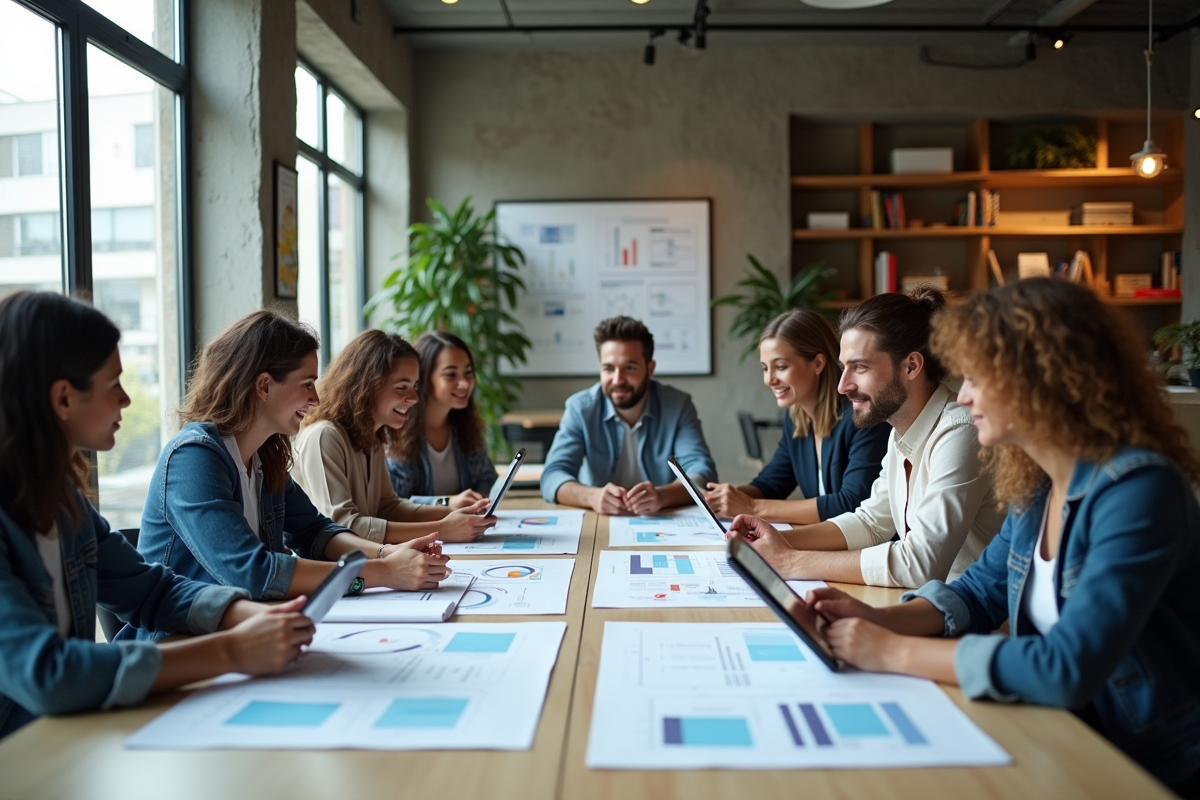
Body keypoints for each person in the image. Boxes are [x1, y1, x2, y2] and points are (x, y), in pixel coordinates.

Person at [791, 279, 1200, 796]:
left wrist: (891, 652)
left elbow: (1066, 666)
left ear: (1041, 380)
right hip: (1061, 736)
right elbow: (975, 595)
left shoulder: (1140, 492)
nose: (962, 395)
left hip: (1145, 763)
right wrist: (873, 618)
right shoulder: (1038, 485)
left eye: (979, 378)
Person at [0, 292, 313, 739]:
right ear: (63, 398)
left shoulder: (61, 498)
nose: (127, 399)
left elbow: (150, 590)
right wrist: (231, 651)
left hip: (67, 735)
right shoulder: (194, 455)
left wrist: (243, 616)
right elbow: (50, 674)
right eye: (113, 385)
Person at [137, 311, 451, 614]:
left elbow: (315, 531)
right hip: (182, 640)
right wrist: (383, 571)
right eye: (307, 384)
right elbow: (252, 572)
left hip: (255, 627)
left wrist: (387, 554)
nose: (316, 399)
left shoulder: (263, 455)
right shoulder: (192, 458)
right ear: (263, 386)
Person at [729, 287, 1005, 588]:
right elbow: (871, 523)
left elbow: (920, 564)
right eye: (842, 368)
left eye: (859, 367)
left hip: (973, 619)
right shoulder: (901, 433)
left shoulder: (960, 430)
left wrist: (791, 561)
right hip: (932, 606)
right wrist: (777, 539)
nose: (842, 386)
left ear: (911, 366)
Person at [292, 329, 495, 544]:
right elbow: (343, 527)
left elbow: (387, 507)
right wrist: (442, 528)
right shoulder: (325, 436)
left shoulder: (373, 435)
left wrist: (450, 513)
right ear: (367, 386)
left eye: (415, 386)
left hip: (364, 565)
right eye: (402, 387)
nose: (415, 398)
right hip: (336, 575)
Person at [704, 309, 889, 525]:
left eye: (780, 367)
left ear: (818, 364)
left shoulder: (862, 418)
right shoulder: (796, 420)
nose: (769, 380)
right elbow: (772, 484)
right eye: (765, 368)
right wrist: (722, 499)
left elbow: (852, 503)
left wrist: (751, 507)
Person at [541, 316, 717, 515]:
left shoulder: (677, 406)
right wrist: (592, 497)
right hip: (599, 521)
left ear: (650, 369)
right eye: (608, 368)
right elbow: (552, 476)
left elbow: (702, 471)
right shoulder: (580, 408)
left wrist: (663, 496)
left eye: (629, 368)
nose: (618, 380)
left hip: (662, 521)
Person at [386, 331, 498, 507]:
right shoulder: (396, 429)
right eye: (451, 375)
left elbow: (487, 478)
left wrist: (478, 500)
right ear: (423, 378)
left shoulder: (465, 426)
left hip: (462, 528)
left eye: (468, 372)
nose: (465, 383)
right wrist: (446, 503)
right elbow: (393, 501)